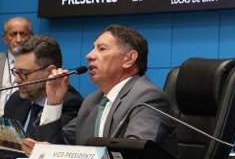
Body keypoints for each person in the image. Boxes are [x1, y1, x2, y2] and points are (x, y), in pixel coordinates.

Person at [34, 25, 175, 151]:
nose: (89, 55)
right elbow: (57, 148)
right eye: (92, 48)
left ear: (129, 59)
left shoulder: (147, 97)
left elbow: (135, 154)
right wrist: (54, 103)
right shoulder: (92, 101)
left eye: (101, 49)